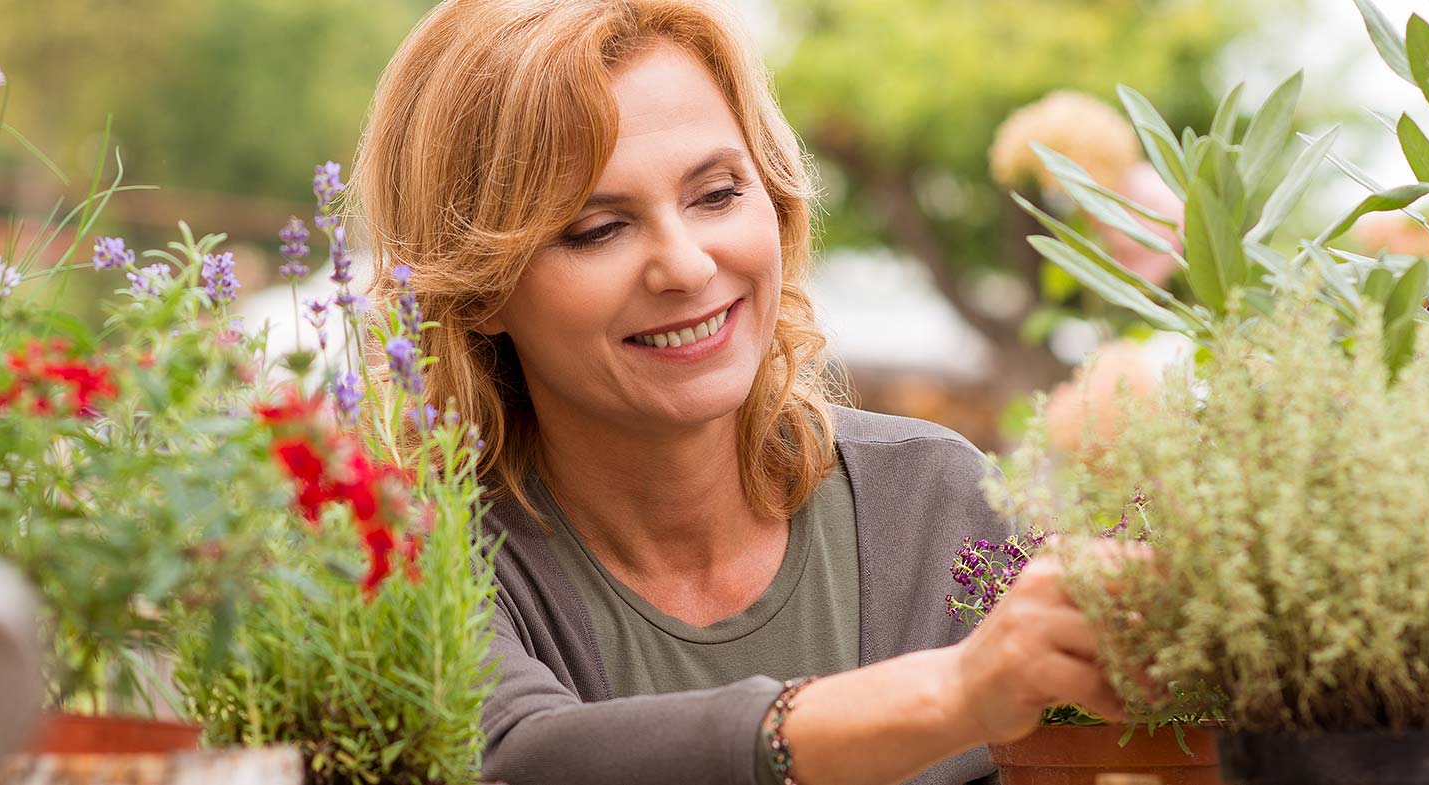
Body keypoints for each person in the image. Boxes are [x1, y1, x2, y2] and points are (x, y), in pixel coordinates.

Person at [345, 2, 1126, 783]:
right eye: (597, 229)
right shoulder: (424, 563)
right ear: (478, 290)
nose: (684, 265)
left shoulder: (935, 501)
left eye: (716, 194)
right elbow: (521, 754)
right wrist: (955, 692)